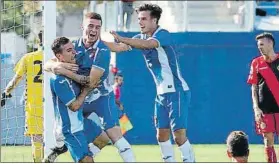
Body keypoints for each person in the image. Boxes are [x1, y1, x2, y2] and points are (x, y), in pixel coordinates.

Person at [105, 3, 195, 162]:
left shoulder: (163, 34)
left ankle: (190, 160)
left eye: (144, 19)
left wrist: (122, 38)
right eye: (139, 19)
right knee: (161, 136)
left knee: (179, 135)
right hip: (161, 94)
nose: (140, 22)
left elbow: (148, 45)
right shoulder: (140, 37)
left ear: (154, 20)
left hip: (177, 91)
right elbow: (119, 47)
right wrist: (96, 42)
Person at [44, 12, 135, 162]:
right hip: (82, 99)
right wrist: (57, 65)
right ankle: (67, 149)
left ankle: (82, 154)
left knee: (117, 133)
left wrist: (65, 71)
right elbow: (47, 64)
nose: (93, 30)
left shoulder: (103, 50)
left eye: (97, 27)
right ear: (82, 27)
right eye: (90, 26)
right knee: (72, 127)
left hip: (102, 97)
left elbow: (92, 82)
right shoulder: (72, 47)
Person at [1, 31, 44, 162]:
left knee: (37, 140)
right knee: (55, 140)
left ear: (38, 41)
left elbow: (15, 80)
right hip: (53, 106)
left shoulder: (28, 57)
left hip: (33, 106)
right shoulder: (56, 58)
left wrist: (5, 94)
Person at [247, 32, 279, 163]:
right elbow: (253, 87)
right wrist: (256, 108)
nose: (259, 47)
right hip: (265, 109)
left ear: (270, 43)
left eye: (261, 44)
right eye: (258, 45)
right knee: (267, 139)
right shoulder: (256, 63)